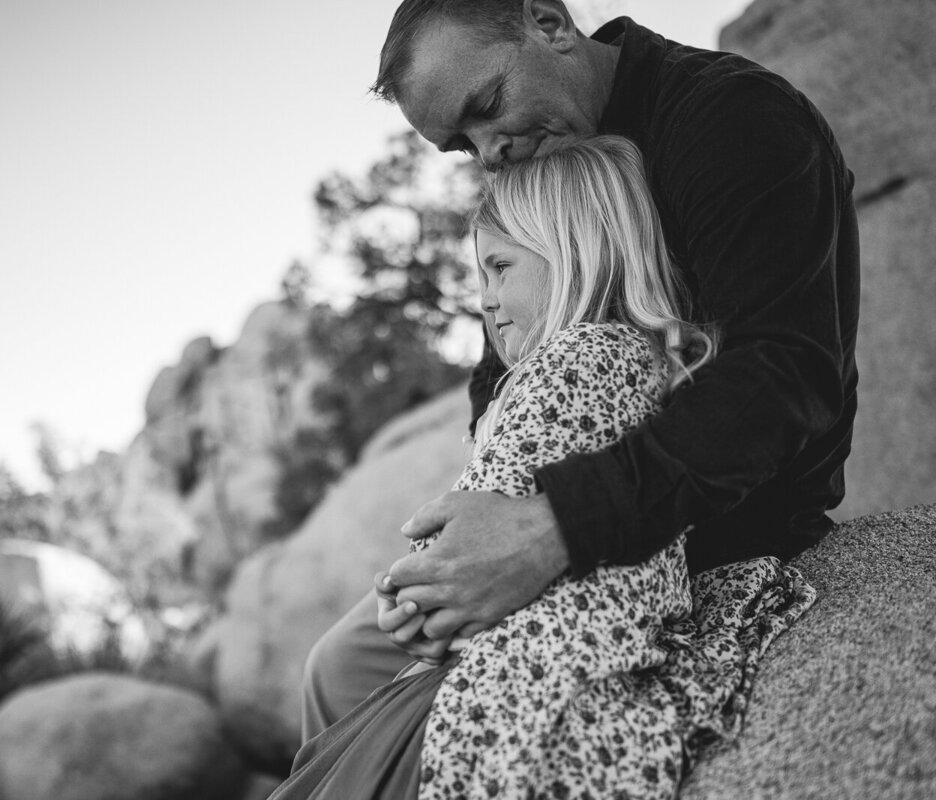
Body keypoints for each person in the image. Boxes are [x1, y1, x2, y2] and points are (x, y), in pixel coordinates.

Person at [302, 0, 858, 738]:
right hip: (567, 518)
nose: (489, 151)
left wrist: (548, 528)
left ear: (549, 23)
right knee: (338, 669)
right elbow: (498, 359)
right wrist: (483, 505)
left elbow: (782, 377)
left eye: (487, 106)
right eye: (463, 146)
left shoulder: (732, 122)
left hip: (724, 535)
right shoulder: (538, 161)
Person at [273, 135, 815, 799]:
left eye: (500, 268)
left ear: (570, 254)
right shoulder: (630, 359)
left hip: (524, 673)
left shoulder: (572, 367)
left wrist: (411, 590)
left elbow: (467, 533)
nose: (487, 299)